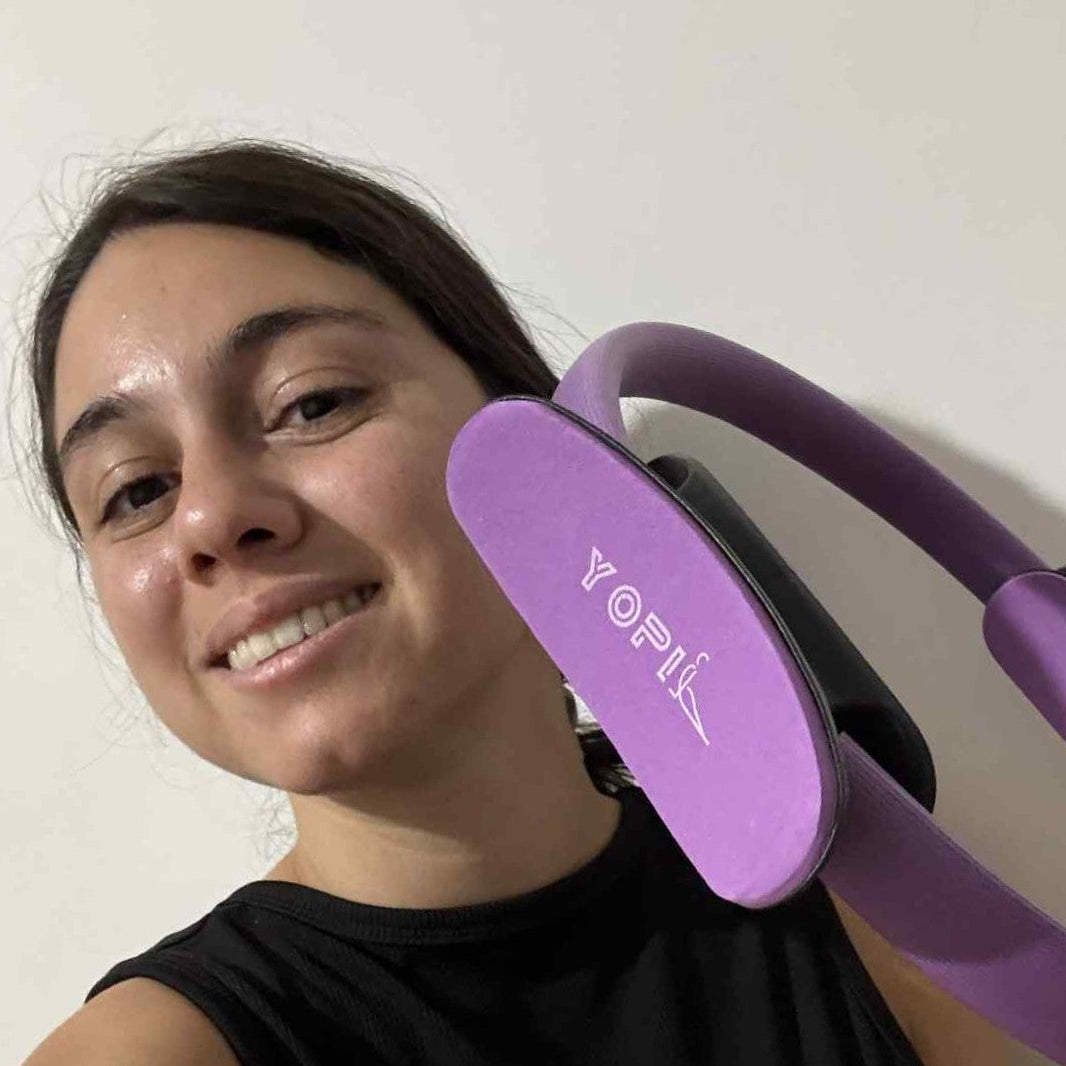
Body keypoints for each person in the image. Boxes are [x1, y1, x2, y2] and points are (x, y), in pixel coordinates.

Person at [15, 139, 1015, 1065]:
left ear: (539, 447)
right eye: (136, 491)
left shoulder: (868, 918)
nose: (211, 516)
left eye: (311, 402)